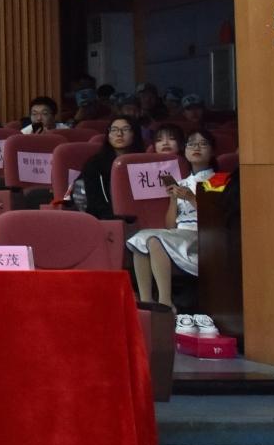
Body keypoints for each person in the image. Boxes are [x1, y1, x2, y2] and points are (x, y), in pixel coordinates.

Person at [128, 129, 220, 306]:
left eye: (203, 144)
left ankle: (165, 303)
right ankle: (147, 301)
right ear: (185, 150)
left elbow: (217, 218)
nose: (196, 148)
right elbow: (171, 226)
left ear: (212, 150)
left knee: (154, 240)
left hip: (203, 234)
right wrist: (173, 199)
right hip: (180, 233)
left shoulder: (219, 180)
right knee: (141, 238)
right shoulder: (182, 183)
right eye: (191, 144)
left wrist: (191, 198)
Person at [77, 116, 138, 220]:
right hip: (105, 219)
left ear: (134, 134)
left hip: (140, 217)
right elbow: (94, 202)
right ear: (108, 135)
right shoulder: (95, 164)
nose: (119, 134)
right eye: (114, 130)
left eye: (125, 129)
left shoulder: (143, 162)